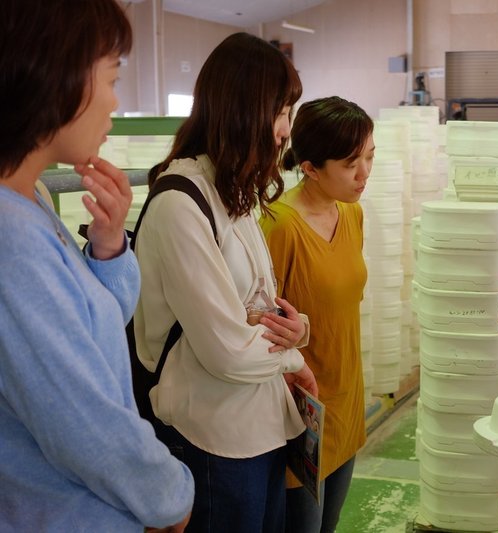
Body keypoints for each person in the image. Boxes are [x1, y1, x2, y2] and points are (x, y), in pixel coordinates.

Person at [0, 1, 194, 531]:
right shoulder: (11, 240)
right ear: (52, 73)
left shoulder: (30, 197)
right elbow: (88, 432)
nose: (114, 101)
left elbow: (95, 325)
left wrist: (108, 246)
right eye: (110, 76)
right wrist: (173, 497)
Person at [133, 32, 317, 532]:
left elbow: (256, 308)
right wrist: (294, 355)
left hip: (260, 428)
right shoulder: (180, 203)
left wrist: (292, 327)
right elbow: (227, 352)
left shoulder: (231, 192)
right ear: (243, 109)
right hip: (210, 442)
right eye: (280, 112)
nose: (284, 132)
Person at [259, 96, 374, 533]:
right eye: (350, 164)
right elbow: (258, 319)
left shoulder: (352, 214)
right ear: (309, 167)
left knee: (330, 523)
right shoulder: (281, 225)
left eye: (369, 157)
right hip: (300, 407)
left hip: (346, 395)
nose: (363, 174)